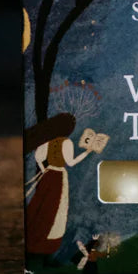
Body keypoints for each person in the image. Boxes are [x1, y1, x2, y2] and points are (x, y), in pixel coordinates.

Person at [24, 112, 91, 264]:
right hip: (59, 176)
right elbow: (71, 162)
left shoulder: (47, 142)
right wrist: (87, 152)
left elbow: (38, 157)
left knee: (41, 204)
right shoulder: (66, 142)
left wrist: (44, 169)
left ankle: (35, 239)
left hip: (47, 175)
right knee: (57, 209)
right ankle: (49, 244)